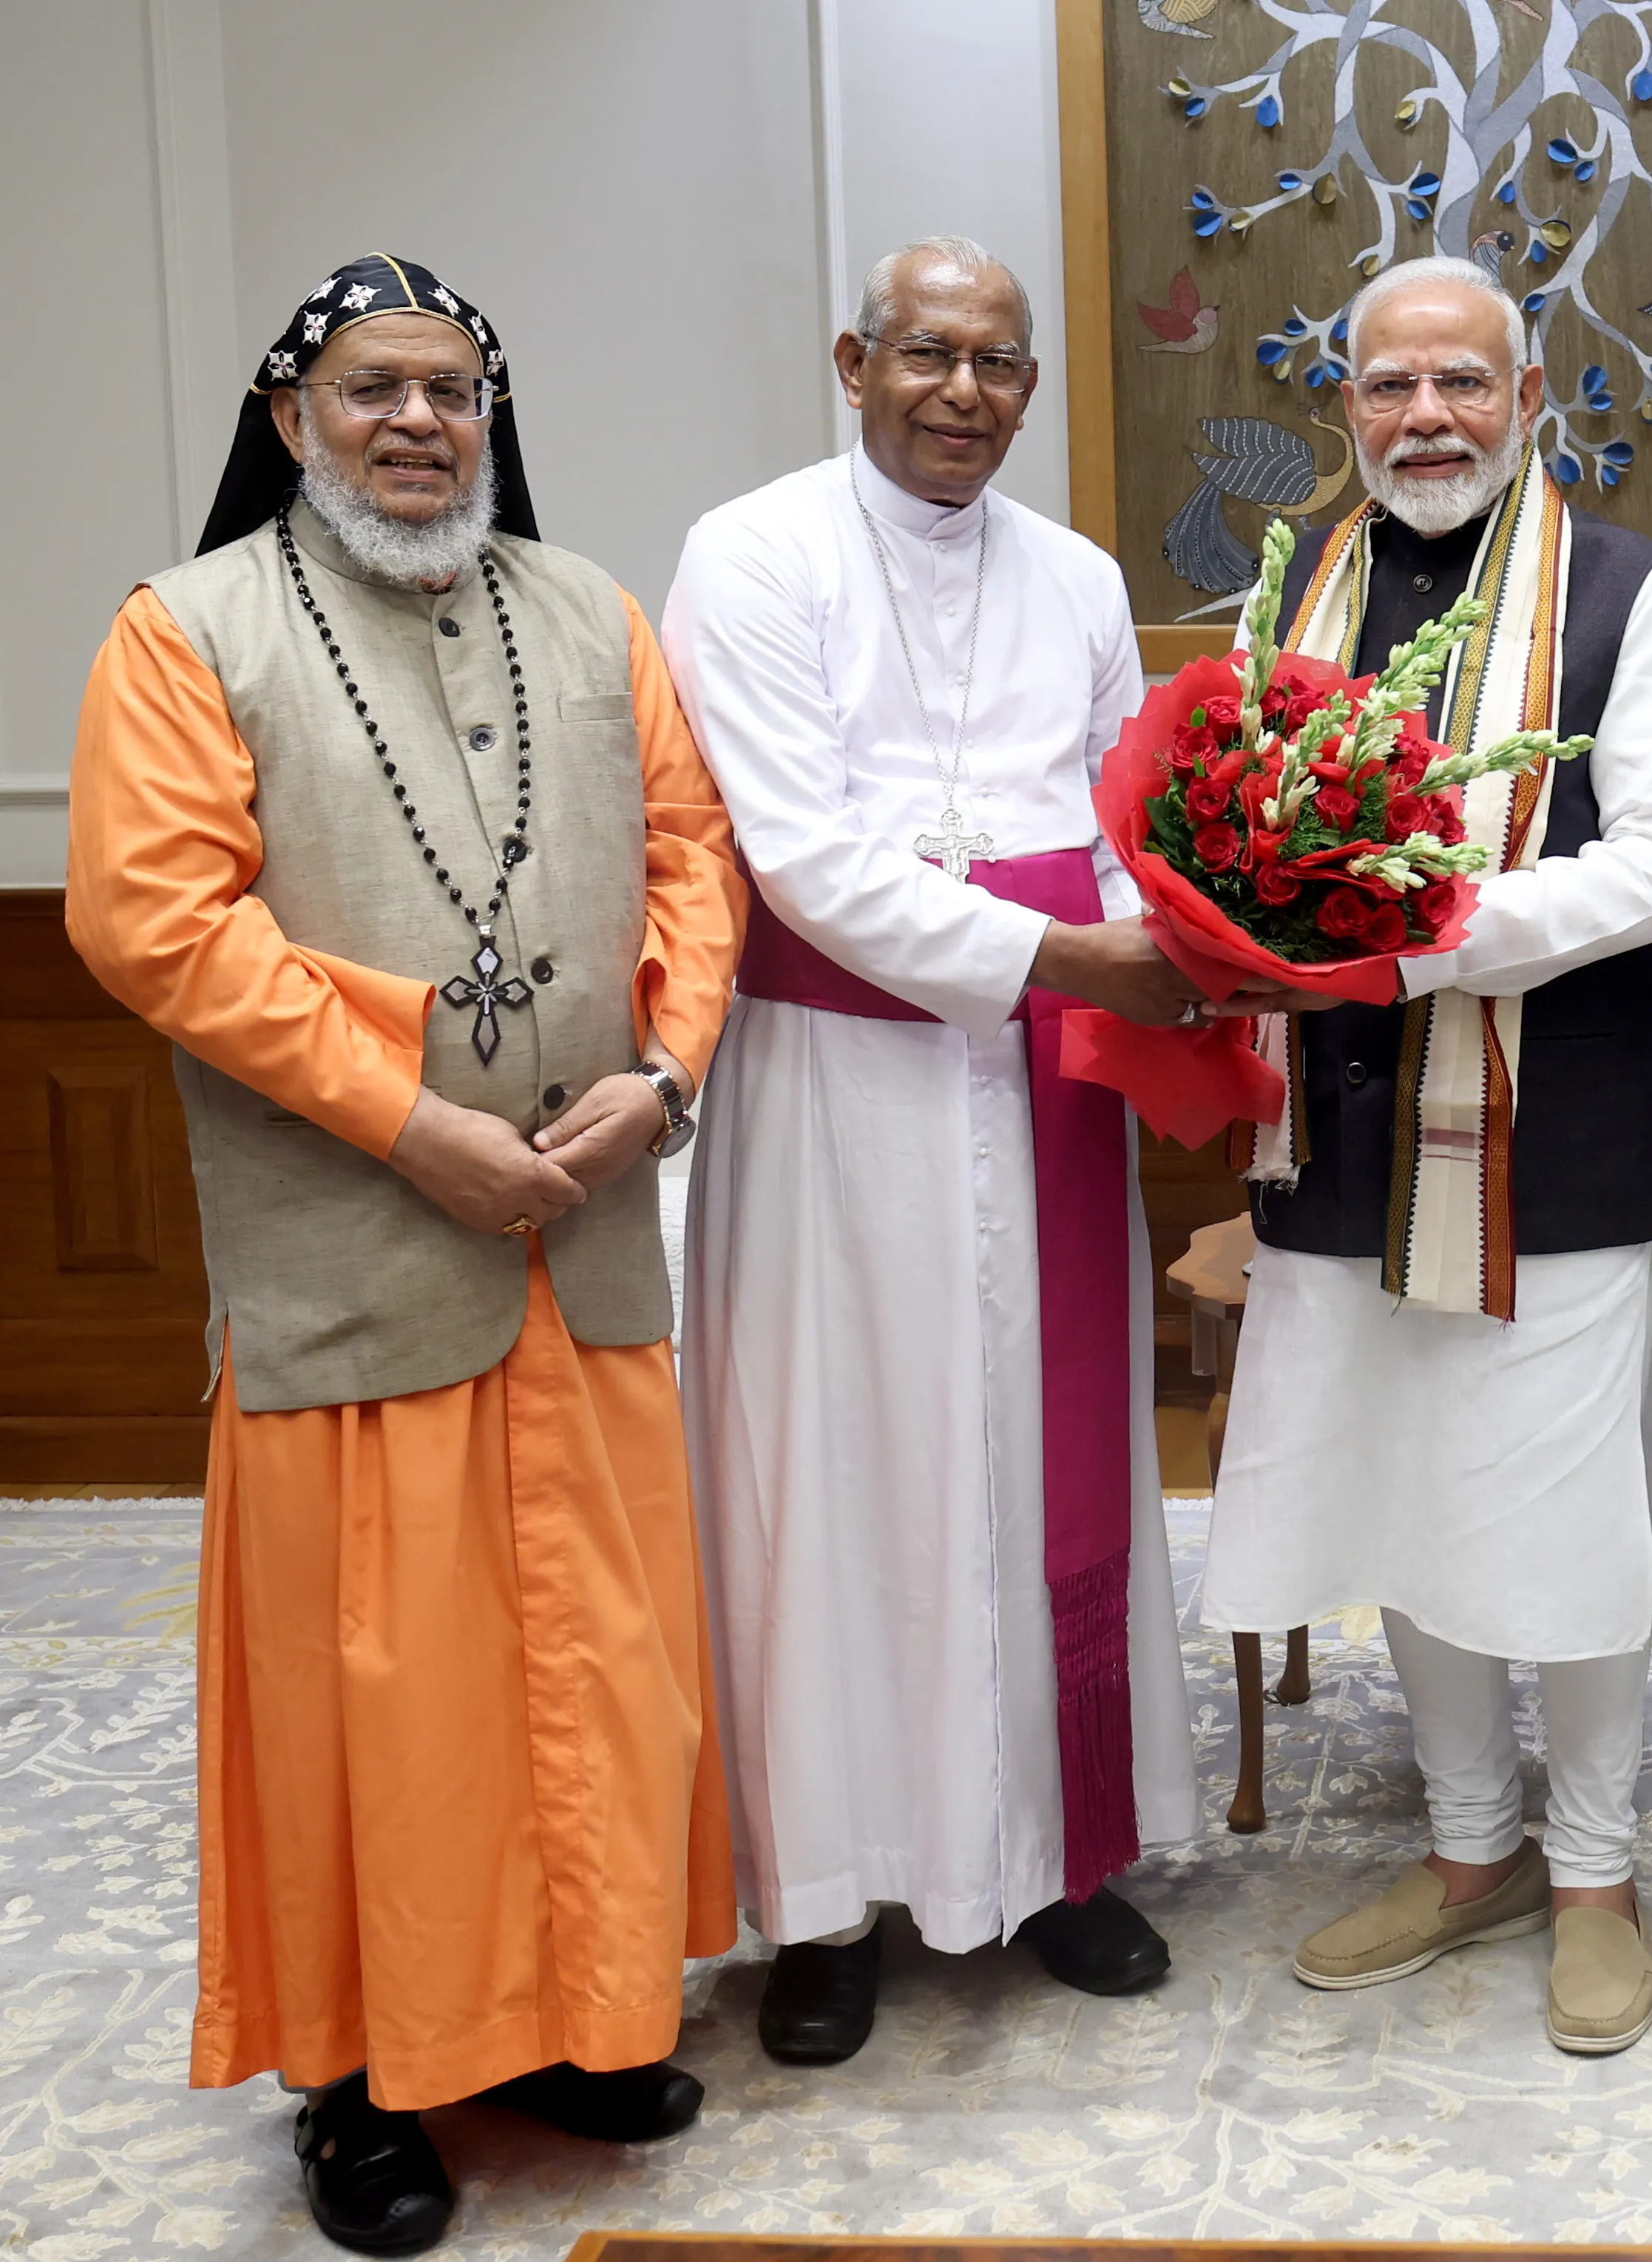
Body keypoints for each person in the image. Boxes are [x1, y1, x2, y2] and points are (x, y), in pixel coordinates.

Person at [64, 254, 745, 2256]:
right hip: (360, 1260)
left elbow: (695, 858)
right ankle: (364, 2081)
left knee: (598, 1675)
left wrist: (667, 1070)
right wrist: (406, 1121)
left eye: (452, 390)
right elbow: (153, 921)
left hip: (587, 1246)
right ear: (292, 420)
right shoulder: (187, 632)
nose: (418, 424)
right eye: (373, 390)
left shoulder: (593, 609)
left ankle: (570, 2023)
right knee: (381, 1698)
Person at [663, 236, 1202, 2067]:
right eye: (927, 353)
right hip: (836, 1087)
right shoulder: (752, 551)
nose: (963, 390)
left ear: (1029, 388)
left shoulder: (1079, 576)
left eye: (998, 361)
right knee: (832, 1477)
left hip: (1044, 1091)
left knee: (1045, 1461)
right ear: (853, 358)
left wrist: (1188, 940)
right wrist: (1061, 950)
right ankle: (830, 1891)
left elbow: (1129, 810)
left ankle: (1056, 1857)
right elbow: (796, 854)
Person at [1194, 255, 1652, 2054]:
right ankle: (1470, 1845)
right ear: (1343, 405)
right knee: (1407, 1494)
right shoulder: (1288, 597)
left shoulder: (1624, 592)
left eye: (1462, 385)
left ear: (1529, 392)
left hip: (1549, 1137)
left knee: (1555, 1522)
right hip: (1333, 1138)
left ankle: (1591, 1868)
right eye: (1389, 387)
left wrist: (1413, 929)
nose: (1427, 418)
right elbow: (1222, 836)